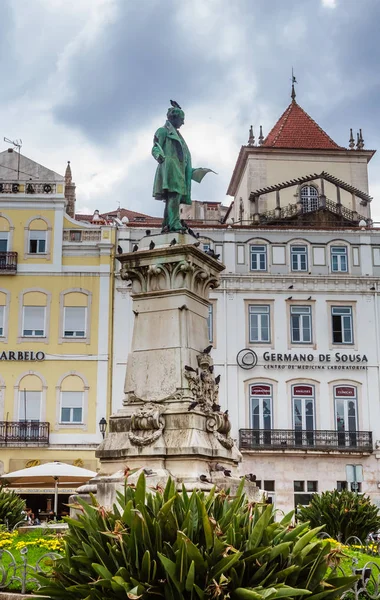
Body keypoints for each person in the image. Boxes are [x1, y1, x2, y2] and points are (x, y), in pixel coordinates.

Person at [152, 103, 214, 233]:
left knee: (173, 198)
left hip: (179, 170)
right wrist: (158, 155)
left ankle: (167, 223)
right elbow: (156, 146)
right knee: (174, 196)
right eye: (182, 119)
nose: (183, 122)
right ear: (174, 118)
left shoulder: (178, 135)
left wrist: (191, 171)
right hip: (170, 168)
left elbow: (184, 157)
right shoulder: (163, 131)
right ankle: (174, 223)